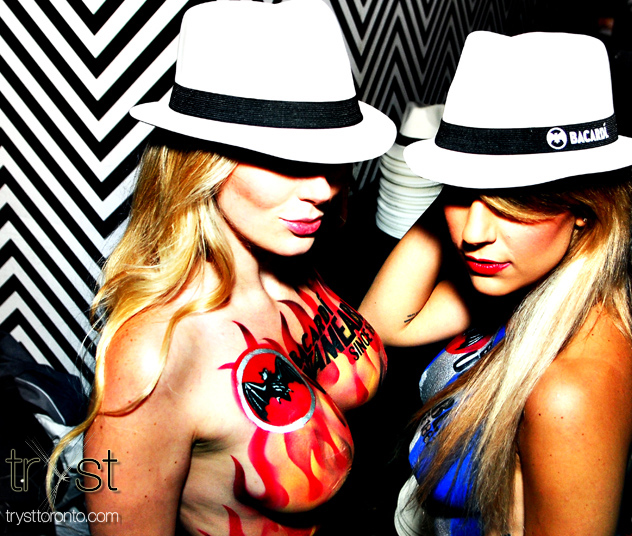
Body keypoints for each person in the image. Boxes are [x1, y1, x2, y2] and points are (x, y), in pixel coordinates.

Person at [48, 1, 395, 534]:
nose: (324, 189)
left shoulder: (296, 251)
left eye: (329, 156)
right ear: (201, 162)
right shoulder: (157, 356)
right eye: (286, 159)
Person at [359, 31, 632, 536]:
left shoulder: (569, 391)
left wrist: (472, 179)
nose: (472, 234)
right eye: (460, 192)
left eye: (513, 199)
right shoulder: (538, 282)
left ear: (586, 208)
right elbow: (383, 324)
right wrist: (466, 173)